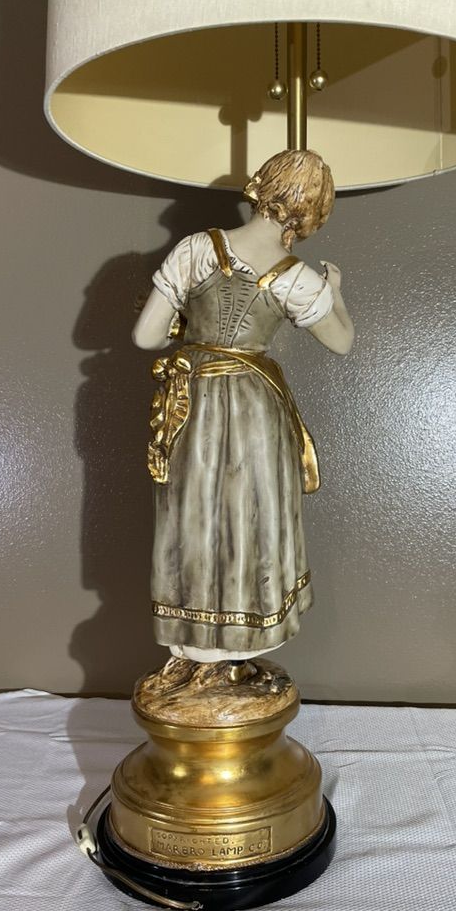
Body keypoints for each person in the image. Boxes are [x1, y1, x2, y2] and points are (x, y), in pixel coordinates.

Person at [133, 149, 354, 663]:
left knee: (193, 511)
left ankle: (193, 643)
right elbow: (342, 342)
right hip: (255, 406)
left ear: (261, 185)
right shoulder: (299, 278)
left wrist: (188, 332)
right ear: (312, 211)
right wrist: (336, 293)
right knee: (252, 512)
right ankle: (242, 637)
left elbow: (145, 337)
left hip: (193, 401)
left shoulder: (196, 249)